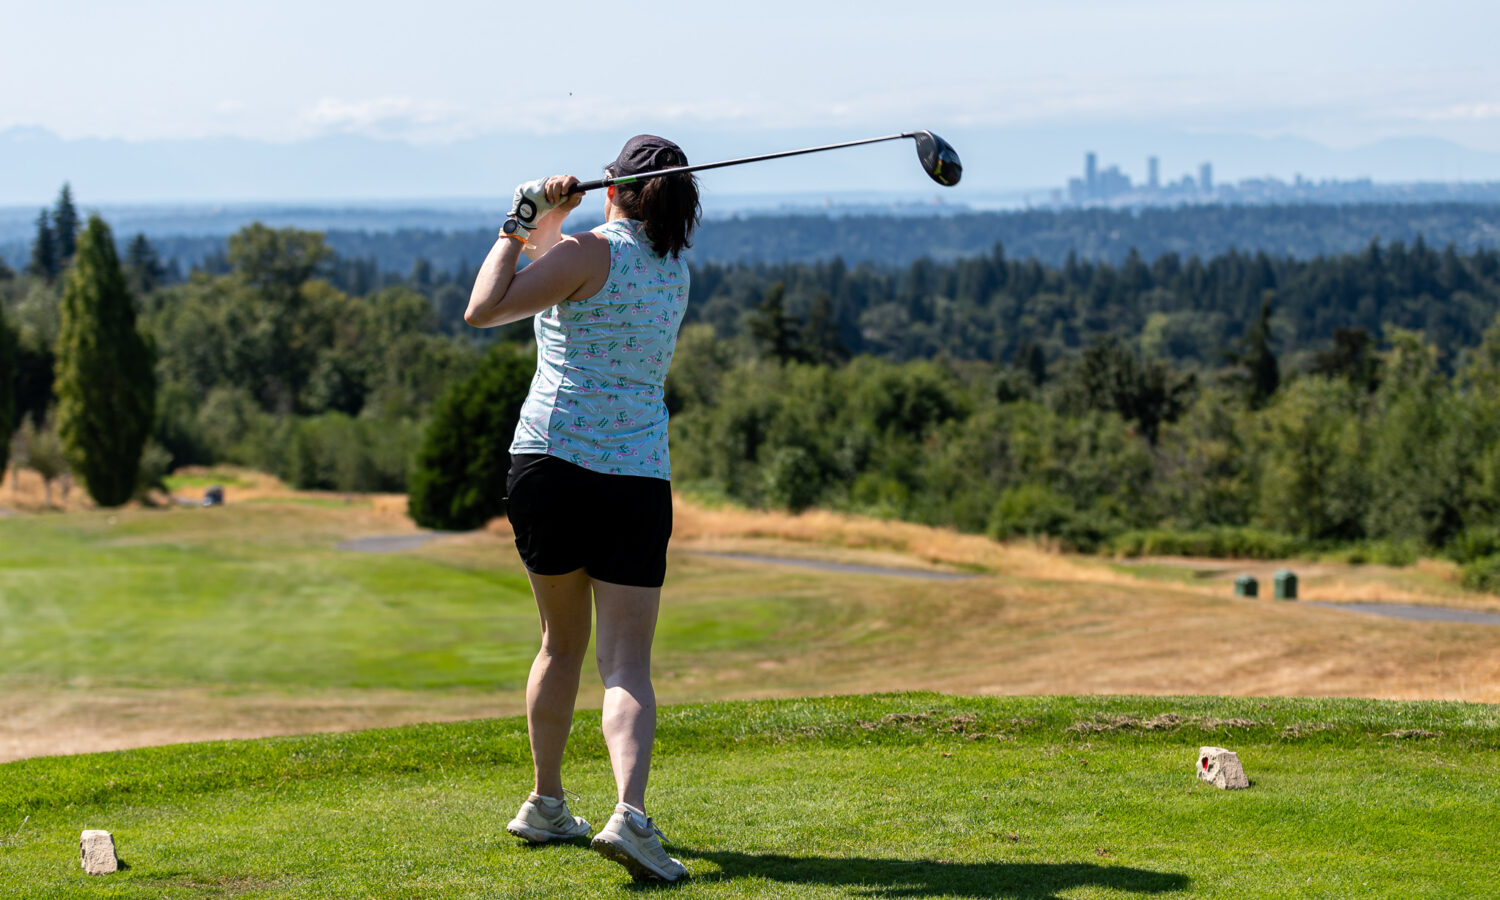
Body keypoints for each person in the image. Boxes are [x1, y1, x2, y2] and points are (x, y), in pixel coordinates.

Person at [463, 135, 701, 883]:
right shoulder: (674, 271)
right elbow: (565, 259)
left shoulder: (586, 254)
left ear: (614, 191)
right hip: (633, 476)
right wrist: (547, 220)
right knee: (625, 661)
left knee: (558, 645)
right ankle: (628, 816)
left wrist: (520, 221)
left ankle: (547, 802)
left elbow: (482, 309)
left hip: (550, 466)